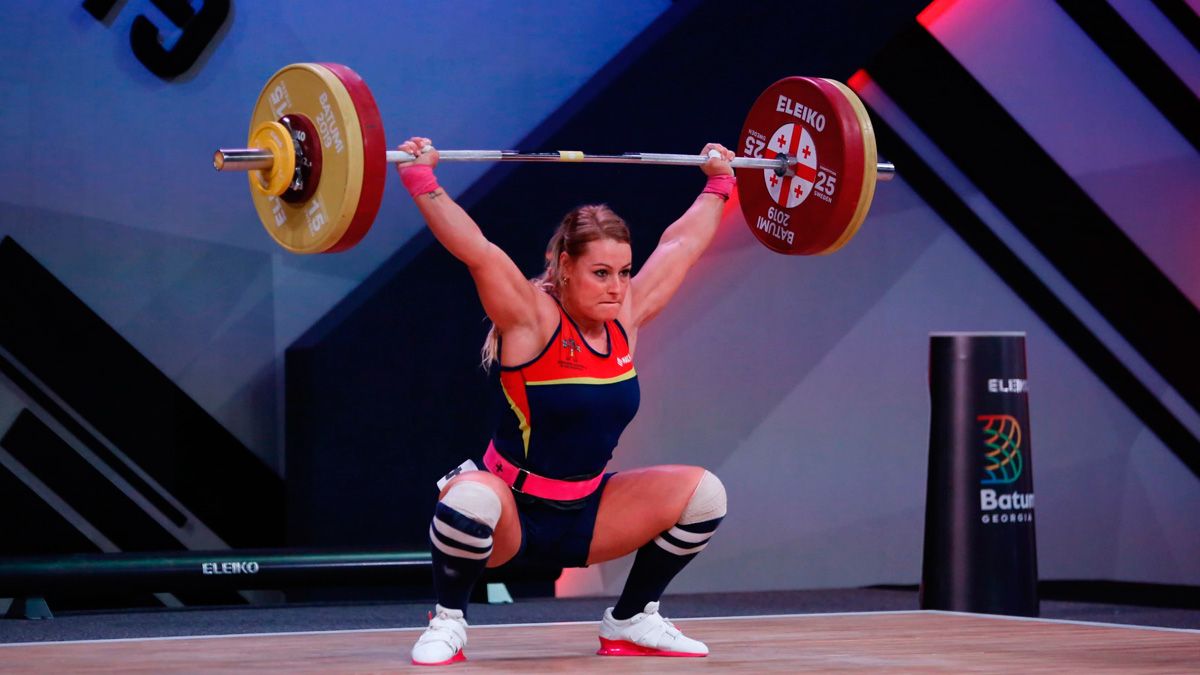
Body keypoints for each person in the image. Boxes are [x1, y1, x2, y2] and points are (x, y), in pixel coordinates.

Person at [396, 136, 735, 666]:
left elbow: (680, 247)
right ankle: (448, 621)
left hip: (587, 512)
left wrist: (719, 184)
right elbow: (477, 251)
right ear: (563, 266)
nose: (618, 287)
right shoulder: (530, 319)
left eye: (624, 272)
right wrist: (423, 182)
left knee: (705, 495)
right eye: (602, 273)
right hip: (512, 511)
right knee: (467, 500)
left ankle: (632, 618)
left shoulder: (625, 319)